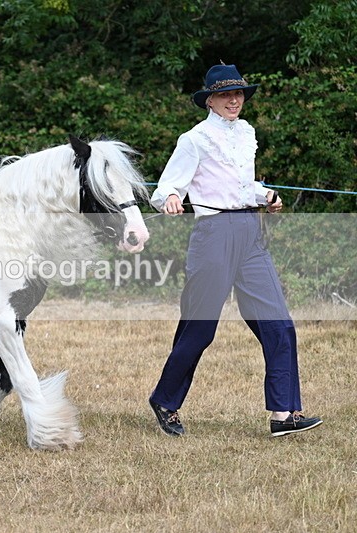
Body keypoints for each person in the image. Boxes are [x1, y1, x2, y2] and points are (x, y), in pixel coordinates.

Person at [148, 63, 322, 438]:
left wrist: (266, 195)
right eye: (226, 94)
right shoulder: (193, 140)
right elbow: (163, 189)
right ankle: (165, 400)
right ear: (210, 100)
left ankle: (283, 414)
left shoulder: (247, 133)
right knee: (200, 329)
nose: (234, 99)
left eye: (239, 93)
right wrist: (173, 198)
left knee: (279, 323)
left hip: (250, 234)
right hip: (213, 235)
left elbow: (243, 185)